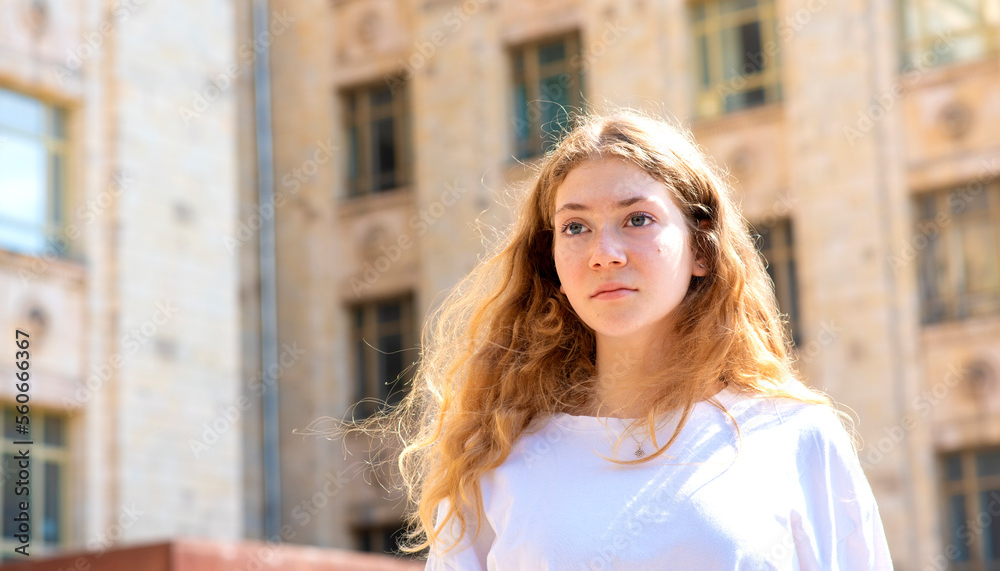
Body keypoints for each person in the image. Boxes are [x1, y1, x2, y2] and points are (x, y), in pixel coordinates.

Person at [349, 110, 894, 569]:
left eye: (636, 219)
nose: (603, 252)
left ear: (701, 249)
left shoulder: (794, 436)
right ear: (553, 263)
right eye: (575, 227)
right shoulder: (494, 454)